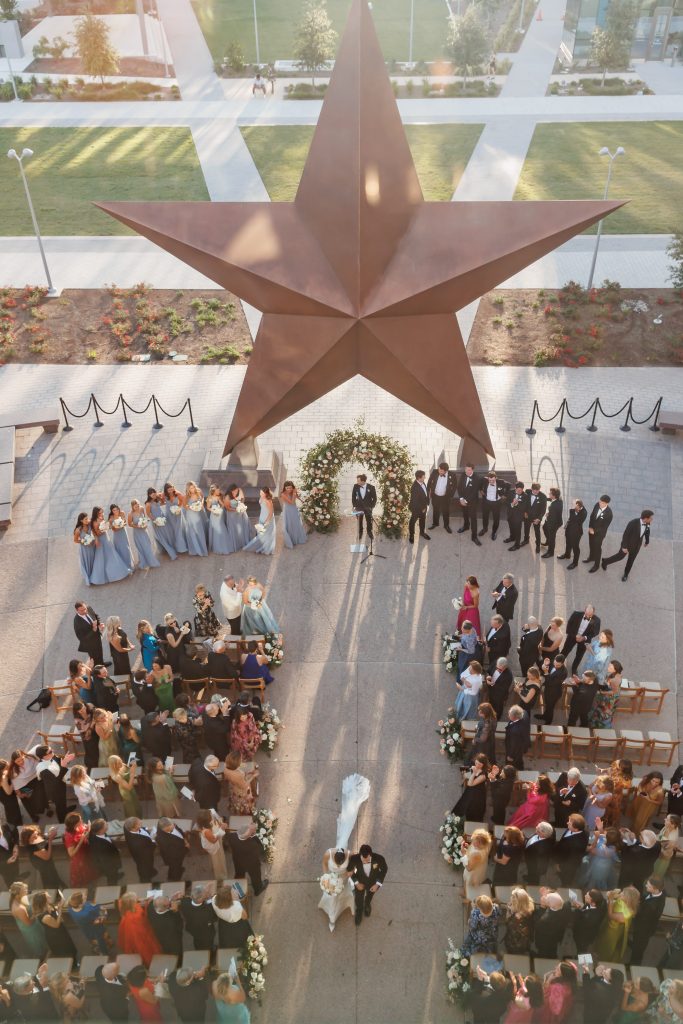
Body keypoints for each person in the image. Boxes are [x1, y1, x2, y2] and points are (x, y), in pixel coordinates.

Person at [602, 510, 654, 581]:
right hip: (627, 545)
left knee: (631, 561)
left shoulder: (648, 523)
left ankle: (626, 574)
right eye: (650, 518)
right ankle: (605, 562)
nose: (652, 519)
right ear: (645, 518)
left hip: (636, 546)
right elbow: (625, 535)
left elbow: (647, 531)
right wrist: (624, 547)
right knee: (619, 557)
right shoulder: (632, 523)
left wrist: (647, 541)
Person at [594, 885, 640, 962]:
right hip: (609, 925)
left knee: (606, 945)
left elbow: (610, 915)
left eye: (623, 893)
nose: (621, 893)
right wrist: (612, 893)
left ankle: (601, 959)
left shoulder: (625, 914)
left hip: (612, 932)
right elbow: (616, 898)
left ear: (628, 898)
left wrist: (610, 900)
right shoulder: (625, 900)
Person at [117, 893, 162, 966]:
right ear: (132, 903)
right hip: (141, 940)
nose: (137, 902)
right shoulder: (135, 915)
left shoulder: (125, 912)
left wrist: (143, 901)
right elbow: (144, 917)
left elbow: (122, 901)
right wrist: (148, 904)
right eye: (136, 901)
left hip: (135, 939)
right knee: (148, 955)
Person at [90, 505, 132, 583]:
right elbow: (97, 533)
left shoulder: (101, 518)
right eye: (100, 513)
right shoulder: (94, 522)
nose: (102, 514)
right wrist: (103, 529)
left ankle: (117, 571)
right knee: (102, 557)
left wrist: (107, 527)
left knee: (111, 555)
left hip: (106, 538)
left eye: (102, 512)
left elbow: (107, 526)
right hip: (101, 540)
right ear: (96, 513)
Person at [348, 843, 388, 924]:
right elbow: (349, 871)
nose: (365, 861)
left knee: (370, 895)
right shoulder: (354, 858)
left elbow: (384, 870)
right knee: (358, 898)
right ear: (360, 855)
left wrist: (377, 884)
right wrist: (356, 883)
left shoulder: (379, 858)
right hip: (360, 881)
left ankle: (367, 904)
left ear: (371, 854)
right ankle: (359, 910)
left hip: (373, 882)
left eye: (367, 859)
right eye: (363, 859)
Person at [629, 875, 665, 964]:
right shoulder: (661, 893)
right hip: (648, 925)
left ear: (655, 889)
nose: (645, 886)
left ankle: (634, 964)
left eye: (648, 886)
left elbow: (638, 913)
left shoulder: (651, 906)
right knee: (638, 944)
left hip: (643, 929)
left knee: (638, 948)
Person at [31, 890, 77, 960]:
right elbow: (56, 925)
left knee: (71, 948)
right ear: (44, 901)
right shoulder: (44, 916)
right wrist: (60, 909)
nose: (50, 896)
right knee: (65, 952)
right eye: (48, 897)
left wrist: (58, 909)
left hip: (61, 931)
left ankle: (75, 961)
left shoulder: (50, 906)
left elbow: (56, 915)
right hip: (56, 936)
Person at [226, 822, 270, 895]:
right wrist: (254, 835)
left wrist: (250, 831)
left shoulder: (232, 837)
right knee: (255, 876)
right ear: (248, 836)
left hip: (238, 861)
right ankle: (258, 889)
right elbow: (260, 851)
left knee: (239, 874)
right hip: (252, 864)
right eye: (251, 832)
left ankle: (237, 887)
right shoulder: (252, 845)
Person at [34, 744, 73, 823]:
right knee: (59, 806)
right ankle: (62, 820)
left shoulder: (52, 756)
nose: (53, 751)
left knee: (63, 801)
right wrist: (63, 767)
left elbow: (60, 761)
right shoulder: (43, 770)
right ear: (44, 756)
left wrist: (66, 760)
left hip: (61, 784)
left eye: (51, 750)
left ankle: (65, 810)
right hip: (55, 791)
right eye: (50, 751)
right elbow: (55, 782)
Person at [319, 847, 355, 931]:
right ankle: (332, 919)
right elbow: (324, 863)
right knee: (333, 899)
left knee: (347, 893)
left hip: (344, 880)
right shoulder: (328, 854)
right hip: (332, 881)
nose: (339, 867)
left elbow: (353, 865)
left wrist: (351, 872)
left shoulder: (350, 854)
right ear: (334, 856)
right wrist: (326, 876)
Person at [9, 880, 48, 957]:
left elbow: (28, 897)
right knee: (40, 949)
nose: (26, 891)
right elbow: (29, 923)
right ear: (18, 894)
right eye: (24, 890)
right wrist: (37, 912)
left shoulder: (16, 899)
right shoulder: (19, 909)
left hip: (33, 927)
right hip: (32, 931)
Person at [578, 824, 621, 890]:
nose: (602, 835)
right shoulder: (611, 844)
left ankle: (590, 891)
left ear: (608, 839)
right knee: (598, 879)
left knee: (593, 881)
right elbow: (603, 836)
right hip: (603, 866)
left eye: (604, 835)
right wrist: (600, 829)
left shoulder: (606, 851)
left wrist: (596, 838)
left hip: (598, 868)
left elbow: (591, 850)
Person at [21, 823, 64, 888]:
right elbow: (47, 856)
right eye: (34, 832)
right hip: (46, 870)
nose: (36, 833)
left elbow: (43, 840)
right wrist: (50, 840)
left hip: (50, 866)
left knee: (57, 883)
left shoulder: (36, 838)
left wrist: (50, 834)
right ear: (28, 836)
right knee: (52, 886)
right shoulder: (32, 847)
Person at [561, 604, 601, 674]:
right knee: (565, 650)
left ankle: (574, 669)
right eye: (586, 614)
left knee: (579, 655)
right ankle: (559, 662)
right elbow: (569, 625)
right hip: (572, 636)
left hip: (584, 640)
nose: (588, 616)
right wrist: (575, 636)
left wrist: (584, 638)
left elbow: (595, 632)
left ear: (593, 613)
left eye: (590, 615)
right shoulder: (576, 614)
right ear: (584, 610)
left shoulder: (597, 620)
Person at [64, 810, 98, 886]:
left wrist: (88, 828)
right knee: (84, 871)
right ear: (75, 824)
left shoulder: (80, 826)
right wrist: (81, 841)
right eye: (80, 820)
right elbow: (71, 854)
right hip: (80, 856)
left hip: (86, 850)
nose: (82, 821)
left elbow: (85, 831)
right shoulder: (69, 836)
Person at [452, 755, 489, 822]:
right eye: (476, 763)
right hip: (469, 792)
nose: (477, 765)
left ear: (483, 765)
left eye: (479, 764)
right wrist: (465, 773)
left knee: (474, 812)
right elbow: (465, 778)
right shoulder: (473, 768)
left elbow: (470, 784)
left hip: (477, 795)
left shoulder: (483, 775)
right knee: (463, 807)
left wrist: (474, 773)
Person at [533, 890, 570, 958]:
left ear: (550, 904)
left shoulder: (545, 919)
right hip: (556, 941)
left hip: (544, 942)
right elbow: (566, 903)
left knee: (544, 957)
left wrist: (542, 906)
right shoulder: (564, 909)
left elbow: (537, 923)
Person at [588, 657, 622, 728]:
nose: (608, 667)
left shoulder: (614, 680)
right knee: (599, 708)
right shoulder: (616, 674)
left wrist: (602, 692)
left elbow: (613, 692)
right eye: (609, 665)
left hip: (609, 698)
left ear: (615, 669)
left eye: (610, 667)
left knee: (603, 711)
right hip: (610, 693)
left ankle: (598, 725)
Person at [555, 813, 589, 885]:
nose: (567, 823)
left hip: (567, 865)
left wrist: (559, 865)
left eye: (569, 823)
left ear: (576, 829)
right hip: (565, 858)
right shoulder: (574, 829)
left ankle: (565, 884)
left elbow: (570, 859)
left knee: (566, 878)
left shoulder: (577, 843)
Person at [181, 883, 216, 950]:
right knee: (206, 947)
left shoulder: (184, 902)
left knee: (197, 942)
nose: (206, 896)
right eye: (204, 895)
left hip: (192, 929)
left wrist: (205, 892)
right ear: (200, 899)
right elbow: (214, 918)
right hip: (206, 934)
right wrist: (209, 898)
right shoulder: (207, 911)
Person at [128, 498, 160, 569]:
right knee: (141, 547)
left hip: (144, 530)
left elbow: (144, 517)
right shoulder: (130, 514)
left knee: (147, 544)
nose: (137, 507)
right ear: (132, 506)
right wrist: (138, 526)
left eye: (138, 505)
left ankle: (150, 560)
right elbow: (129, 524)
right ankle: (144, 562)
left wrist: (145, 523)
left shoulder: (142, 508)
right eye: (135, 506)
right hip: (137, 532)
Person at [571, 888, 606, 953]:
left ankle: (583, 958)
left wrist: (577, 910)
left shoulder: (590, 916)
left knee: (582, 951)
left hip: (583, 937)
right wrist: (581, 907)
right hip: (588, 934)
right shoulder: (597, 905)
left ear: (593, 903)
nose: (585, 896)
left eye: (587, 896)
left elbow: (578, 921)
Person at [244, 486, 277, 555]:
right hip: (262, 516)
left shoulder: (268, 501)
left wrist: (267, 521)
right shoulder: (261, 498)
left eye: (262, 493)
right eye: (260, 492)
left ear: (266, 493)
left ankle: (266, 548)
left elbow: (271, 512)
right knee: (261, 533)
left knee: (267, 534)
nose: (260, 494)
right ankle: (261, 546)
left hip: (268, 518)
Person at [197, 808, 229, 879]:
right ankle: (220, 876)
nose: (212, 816)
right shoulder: (206, 831)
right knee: (217, 861)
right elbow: (214, 840)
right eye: (210, 816)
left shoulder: (208, 821)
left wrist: (220, 824)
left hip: (217, 843)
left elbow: (217, 821)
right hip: (214, 847)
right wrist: (221, 830)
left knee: (220, 858)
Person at [124, 817, 157, 883]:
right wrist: (153, 840)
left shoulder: (127, 827)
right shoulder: (137, 842)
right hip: (144, 857)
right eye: (139, 823)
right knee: (144, 867)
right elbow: (150, 848)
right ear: (134, 827)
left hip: (142, 852)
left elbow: (141, 829)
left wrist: (146, 828)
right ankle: (145, 880)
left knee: (148, 865)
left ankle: (151, 871)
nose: (141, 822)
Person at [585, 494, 613, 572]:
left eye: (602, 502)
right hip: (591, 530)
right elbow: (592, 516)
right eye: (600, 501)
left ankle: (596, 565)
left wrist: (594, 531)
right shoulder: (597, 505)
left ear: (606, 503)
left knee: (597, 548)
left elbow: (604, 527)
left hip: (600, 534)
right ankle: (591, 558)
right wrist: (590, 527)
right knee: (591, 544)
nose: (600, 503)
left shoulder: (609, 514)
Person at [90, 818, 123, 884]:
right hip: (109, 866)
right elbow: (104, 858)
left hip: (111, 862)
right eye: (105, 825)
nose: (107, 824)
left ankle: (116, 875)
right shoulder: (99, 844)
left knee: (114, 874)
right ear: (101, 830)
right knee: (112, 879)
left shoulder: (101, 834)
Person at [426, 461, 456, 533]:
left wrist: (450, 495)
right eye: (439, 469)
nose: (439, 471)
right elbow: (429, 481)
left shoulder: (452, 475)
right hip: (435, 496)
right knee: (435, 510)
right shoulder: (435, 472)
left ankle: (446, 525)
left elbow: (455, 486)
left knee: (445, 511)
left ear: (446, 471)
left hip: (445, 497)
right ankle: (435, 523)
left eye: (441, 471)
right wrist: (428, 491)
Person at [224, 750, 257, 815]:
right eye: (240, 759)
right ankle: (245, 812)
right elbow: (244, 786)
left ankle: (237, 810)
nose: (242, 759)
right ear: (237, 763)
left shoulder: (226, 768)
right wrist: (253, 776)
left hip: (234, 787)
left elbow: (227, 777)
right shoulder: (239, 775)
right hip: (241, 791)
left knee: (235, 800)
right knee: (244, 803)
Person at [503, 887, 535, 953]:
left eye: (512, 902)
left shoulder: (517, 920)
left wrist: (509, 913)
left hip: (516, 946)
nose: (510, 902)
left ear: (517, 904)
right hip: (522, 942)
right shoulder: (528, 906)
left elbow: (509, 926)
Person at [456, 462, 481, 544]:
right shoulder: (463, 475)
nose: (467, 471)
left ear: (473, 470)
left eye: (469, 470)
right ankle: (466, 526)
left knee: (473, 519)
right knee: (465, 514)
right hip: (463, 500)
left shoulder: (477, 478)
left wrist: (465, 501)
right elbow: (459, 487)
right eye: (466, 469)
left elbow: (474, 492)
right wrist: (461, 498)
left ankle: (474, 537)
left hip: (472, 502)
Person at [73, 601, 106, 665]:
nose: (85, 611)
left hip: (97, 637)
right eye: (82, 610)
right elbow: (82, 638)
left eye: (85, 608)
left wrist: (99, 624)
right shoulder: (77, 622)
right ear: (77, 611)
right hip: (90, 644)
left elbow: (95, 616)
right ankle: (97, 668)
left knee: (100, 652)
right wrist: (93, 630)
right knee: (94, 657)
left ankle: (102, 664)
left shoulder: (88, 608)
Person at [479, 470, 510, 540]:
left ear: (496, 478)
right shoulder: (484, 480)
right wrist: (480, 490)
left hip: (496, 503)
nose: (491, 482)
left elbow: (509, 485)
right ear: (488, 478)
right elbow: (479, 482)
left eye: (493, 480)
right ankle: (485, 529)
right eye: (490, 480)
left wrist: (505, 495)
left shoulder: (501, 482)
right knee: (485, 516)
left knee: (496, 518)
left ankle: (494, 532)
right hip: (486, 502)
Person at [109, 754, 142, 818]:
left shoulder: (122, 764)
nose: (121, 763)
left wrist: (133, 764)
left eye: (120, 760)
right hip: (126, 790)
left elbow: (128, 768)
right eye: (118, 763)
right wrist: (132, 774)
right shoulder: (116, 776)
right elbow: (129, 787)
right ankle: (133, 819)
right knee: (131, 806)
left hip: (131, 786)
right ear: (114, 765)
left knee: (136, 803)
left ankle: (139, 817)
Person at [538, 654, 568, 725]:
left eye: (558, 665)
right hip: (548, 690)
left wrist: (546, 672)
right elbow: (542, 665)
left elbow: (551, 683)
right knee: (547, 705)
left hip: (554, 693)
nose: (555, 666)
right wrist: (545, 664)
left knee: (550, 707)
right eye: (555, 663)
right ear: (554, 660)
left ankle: (548, 722)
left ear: (562, 663)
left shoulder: (563, 673)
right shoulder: (553, 662)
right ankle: (544, 716)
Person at [558, 498, 586, 568]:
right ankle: (567, 555)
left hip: (577, 533)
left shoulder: (584, 512)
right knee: (568, 544)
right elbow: (571, 518)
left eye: (573, 504)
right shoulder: (572, 510)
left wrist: (576, 511)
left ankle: (575, 563)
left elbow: (577, 521)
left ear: (578, 505)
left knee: (575, 547)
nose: (572, 506)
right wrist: (575, 510)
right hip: (569, 530)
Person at [280, 479, 308, 547]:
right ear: (285, 488)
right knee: (290, 523)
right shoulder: (283, 494)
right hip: (288, 511)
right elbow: (292, 502)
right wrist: (294, 493)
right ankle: (292, 539)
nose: (289, 489)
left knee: (296, 522)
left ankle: (298, 537)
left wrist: (302, 500)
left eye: (290, 488)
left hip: (294, 509)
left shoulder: (293, 491)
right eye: (287, 488)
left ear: (292, 487)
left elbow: (297, 497)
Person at [184, 480, 209, 556]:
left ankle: (204, 544)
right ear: (188, 489)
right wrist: (191, 507)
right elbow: (185, 506)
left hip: (200, 512)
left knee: (202, 528)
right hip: (191, 514)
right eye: (191, 488)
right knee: (196, 530)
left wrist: (201, 504)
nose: (193, 489)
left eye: (193, 487)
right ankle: (197, 549)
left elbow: (202, 498)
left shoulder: (199, 491)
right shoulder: (186, 496)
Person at [224, 484, 253, 550]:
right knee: (235, 529)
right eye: (234, 491)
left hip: (240, 513)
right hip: (232, 515)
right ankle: (236, 544)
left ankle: (243, 541)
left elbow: (243, 498)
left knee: (242, 527)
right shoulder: (227, 497)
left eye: (237, 491)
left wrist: (241, 504)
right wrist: (236, 510)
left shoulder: (240, 490)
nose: (236, 492)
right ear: (230, 490)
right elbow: (227, 508)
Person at [486, 655, 514, 719]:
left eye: (500, 669)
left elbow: (503, 689)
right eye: (497, 668)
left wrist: (492, 684)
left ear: (505, 667)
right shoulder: (495, 663)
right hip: (491, 691)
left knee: (498, 708)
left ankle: (497, 718)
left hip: (499, 696)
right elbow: (488, 671)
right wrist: (487, 677)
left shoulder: (508, 676)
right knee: (490, 704)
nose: (498, 670)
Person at [522, 482, 547, 551]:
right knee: (526, 528)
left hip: (536, 517)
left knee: (537, 531)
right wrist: (524, 512)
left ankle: (538, 545)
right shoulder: (527, 492)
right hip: (527, 516)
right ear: (531, 489)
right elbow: (524, 503)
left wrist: (539, 519)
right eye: (534, 490)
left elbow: (543, 509)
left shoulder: (543, 496)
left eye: (537, 490)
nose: (536, 491)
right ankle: (526, 540)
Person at [654, 814, 681, 878]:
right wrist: (655, 837)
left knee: (656, 874)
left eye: (667, 819)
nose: (664, 819)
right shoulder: (668, 826)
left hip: (663, 857)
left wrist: (654, 840)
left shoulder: (672, 839)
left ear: (672, 825)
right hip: (660, 851)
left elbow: (664, 848)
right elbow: (660, 836)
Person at [351, 474, 377, 542]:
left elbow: (374, 498)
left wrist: (372, 507)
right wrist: (354, 506)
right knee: (359, 520)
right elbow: (353, 497)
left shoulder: (371, 487)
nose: (357, 482)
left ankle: (369, 531)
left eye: (358, 481)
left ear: (363, 481)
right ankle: (360, 532)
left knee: (369, 520)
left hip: (368, 507)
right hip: (358, 507)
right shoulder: (355, 486)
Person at [408, 469, 430, 543]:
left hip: (424, 507)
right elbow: (415, 501)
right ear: (419, 478)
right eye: (423, 477)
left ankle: (422, 533)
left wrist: (426, 503)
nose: (425, 478)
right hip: (416, 508)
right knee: (412, 522)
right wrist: (422, 508)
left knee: (422, 520)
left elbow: (425, 493)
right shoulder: (414, 487)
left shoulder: (422, 482)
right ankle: (411, 535)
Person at [74, 512, 96, 585]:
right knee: (87, 562)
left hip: (92, 546)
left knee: (93, 560)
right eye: (85, 519)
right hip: (84, 549)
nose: (87, 520)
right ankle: (88, 577)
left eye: (87, 518)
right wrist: (84, 542)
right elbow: (75, 540)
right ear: (81, 520)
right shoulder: (78, 530)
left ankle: (94, 576)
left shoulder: (89, 524)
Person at [505, 705, 530, 770]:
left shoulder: (515, 731)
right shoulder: (524, 712)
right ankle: (520, 766)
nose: (508, 716)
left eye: (509, 715)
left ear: (515, 717)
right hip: (523, 742)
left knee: (513, 762)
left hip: (516, 748)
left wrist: (510, 756)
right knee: (519, 759)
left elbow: (514, 745)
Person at [505, 481, 528, 550]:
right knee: (511, 527)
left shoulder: (525, 496)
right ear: (515, 488)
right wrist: (512, 504)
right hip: (510, 514)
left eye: (521, 490)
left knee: (518, 531)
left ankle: (517, 545)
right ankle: (512, 537)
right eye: (518, 490)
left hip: (518, 517)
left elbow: (524, 507)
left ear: (523, 489)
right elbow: (506, 502)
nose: (519, 491)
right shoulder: (510, 492)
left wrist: (517, 504)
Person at [541, 487, 563, 558]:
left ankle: (550, 553)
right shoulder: (559, 500)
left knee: (552, 538)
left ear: (554, 495)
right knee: (544, 527)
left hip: (553, 524)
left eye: (550, 493)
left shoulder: (554, 506)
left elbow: (552, 518)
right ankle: (548, 541)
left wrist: (548, 515)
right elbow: (550, 499)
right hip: (553, 520)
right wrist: (544, 498)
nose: (549, 494)